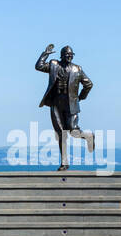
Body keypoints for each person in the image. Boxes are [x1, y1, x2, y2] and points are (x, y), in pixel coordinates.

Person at [35, 43, 96, 171]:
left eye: (70, 55)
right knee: (60, 134)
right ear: (62, 56)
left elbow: (89, 84)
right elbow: (39, 66)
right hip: (56, 103)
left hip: (71, 104)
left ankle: (89, 136)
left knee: (74, 131)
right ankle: (64, 163)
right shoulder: (53, 65)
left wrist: (80, 97)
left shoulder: (77, 69)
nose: (69, 57)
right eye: (66, 55)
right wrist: (45, 53)